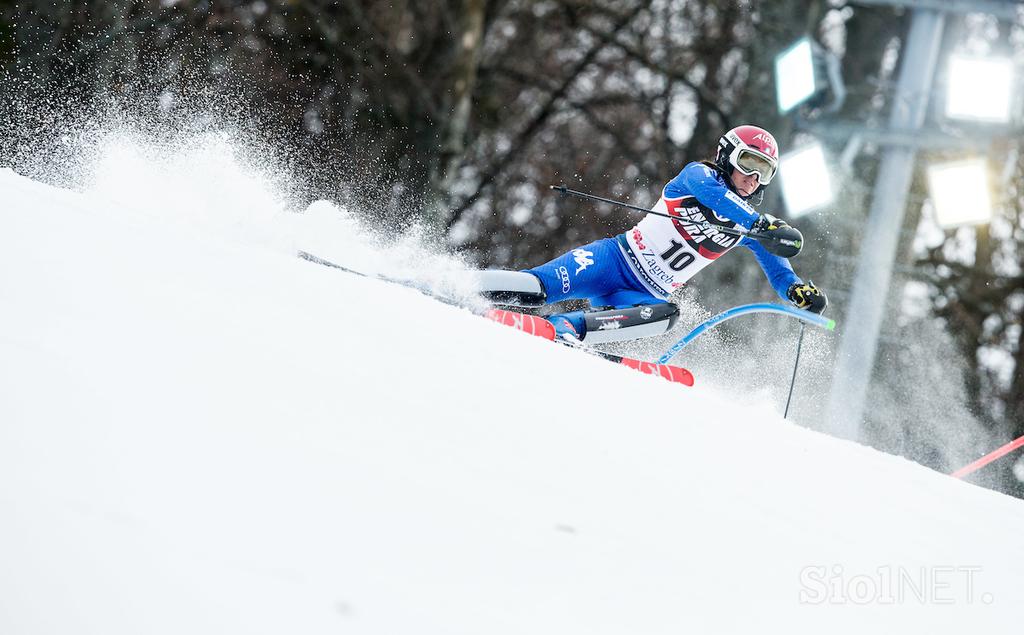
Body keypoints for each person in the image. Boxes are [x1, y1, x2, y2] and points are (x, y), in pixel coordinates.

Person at [477, 124, 827, 343]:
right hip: (612, 261)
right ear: (727, 156)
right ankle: (461, 283)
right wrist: (759, 224)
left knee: (667, 315)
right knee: (538, 289)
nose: (754, 178)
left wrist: (796, 291)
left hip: (640, 296)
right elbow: (714, 197)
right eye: (749, 163)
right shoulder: (698, 177)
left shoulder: (750, 223)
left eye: (764, 171)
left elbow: (779, 271)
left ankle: (565, 329)